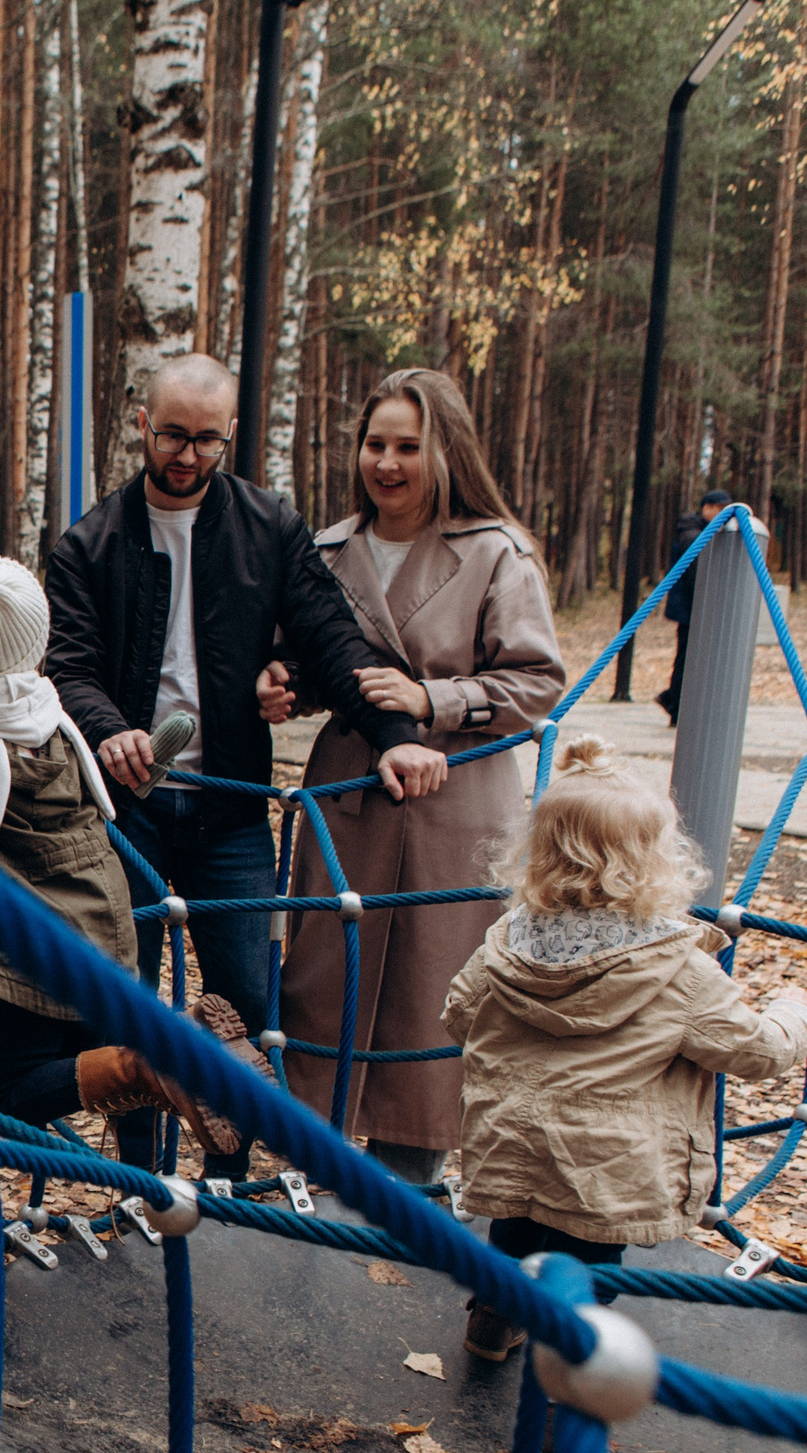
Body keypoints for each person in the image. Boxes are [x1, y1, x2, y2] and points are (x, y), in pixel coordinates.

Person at [46, 356, 447, 1172]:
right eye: (171, 435)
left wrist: (393, 730)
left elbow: (331, 640)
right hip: (129, 808)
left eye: (205, 439)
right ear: (141, 426)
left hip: (228, 810)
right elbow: (68, 665)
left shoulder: (268, 527)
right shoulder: (90, 543)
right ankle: (137, 1183)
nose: (186, 455)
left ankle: (226, 1184)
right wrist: (108, 728)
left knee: (245, 999)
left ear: (229, 435)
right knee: (129, 1000)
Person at [268, 369, 566, 1187]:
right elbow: (305, 657)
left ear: (446, 451)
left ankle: (413, 1171)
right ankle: (316, 1166)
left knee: (434, 985)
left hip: (457, 798)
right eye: (375, 444)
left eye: (408, 446)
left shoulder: (495, 552)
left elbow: (538, 683)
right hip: (352, 792)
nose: (387, 463)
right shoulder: (327, 549)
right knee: (328, 970)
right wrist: (280, 683)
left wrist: (434, 699)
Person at [440, 735, 807, 1360]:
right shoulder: (677, 968)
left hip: (511, 1139)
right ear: (653, 860)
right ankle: (570, 1375)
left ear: (536, 853)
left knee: (513, 1236)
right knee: (590, 1272)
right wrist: (796, 1015)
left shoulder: (505, 942)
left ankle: (492, 1318)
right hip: (606, 1168)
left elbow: (457, 1014)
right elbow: (754, 1052)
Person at [0, 558, 253, 1166]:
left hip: (36, 941)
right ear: (37, 644)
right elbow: (80, 804)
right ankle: (149, 1143)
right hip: (106, 920)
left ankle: (155, 1059)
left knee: (8, 1096)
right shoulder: (45, 710)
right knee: (99, 1072)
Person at [656, 490, 733, 726]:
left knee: (690, 658)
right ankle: (676, 705)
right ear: (706, 507)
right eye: (719, 509)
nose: (722, 515)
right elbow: (697, 574)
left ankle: (674, 700)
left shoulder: (699, 532)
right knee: (688, 659)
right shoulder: (692, 535)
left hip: (691, 608)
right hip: (691, 609)